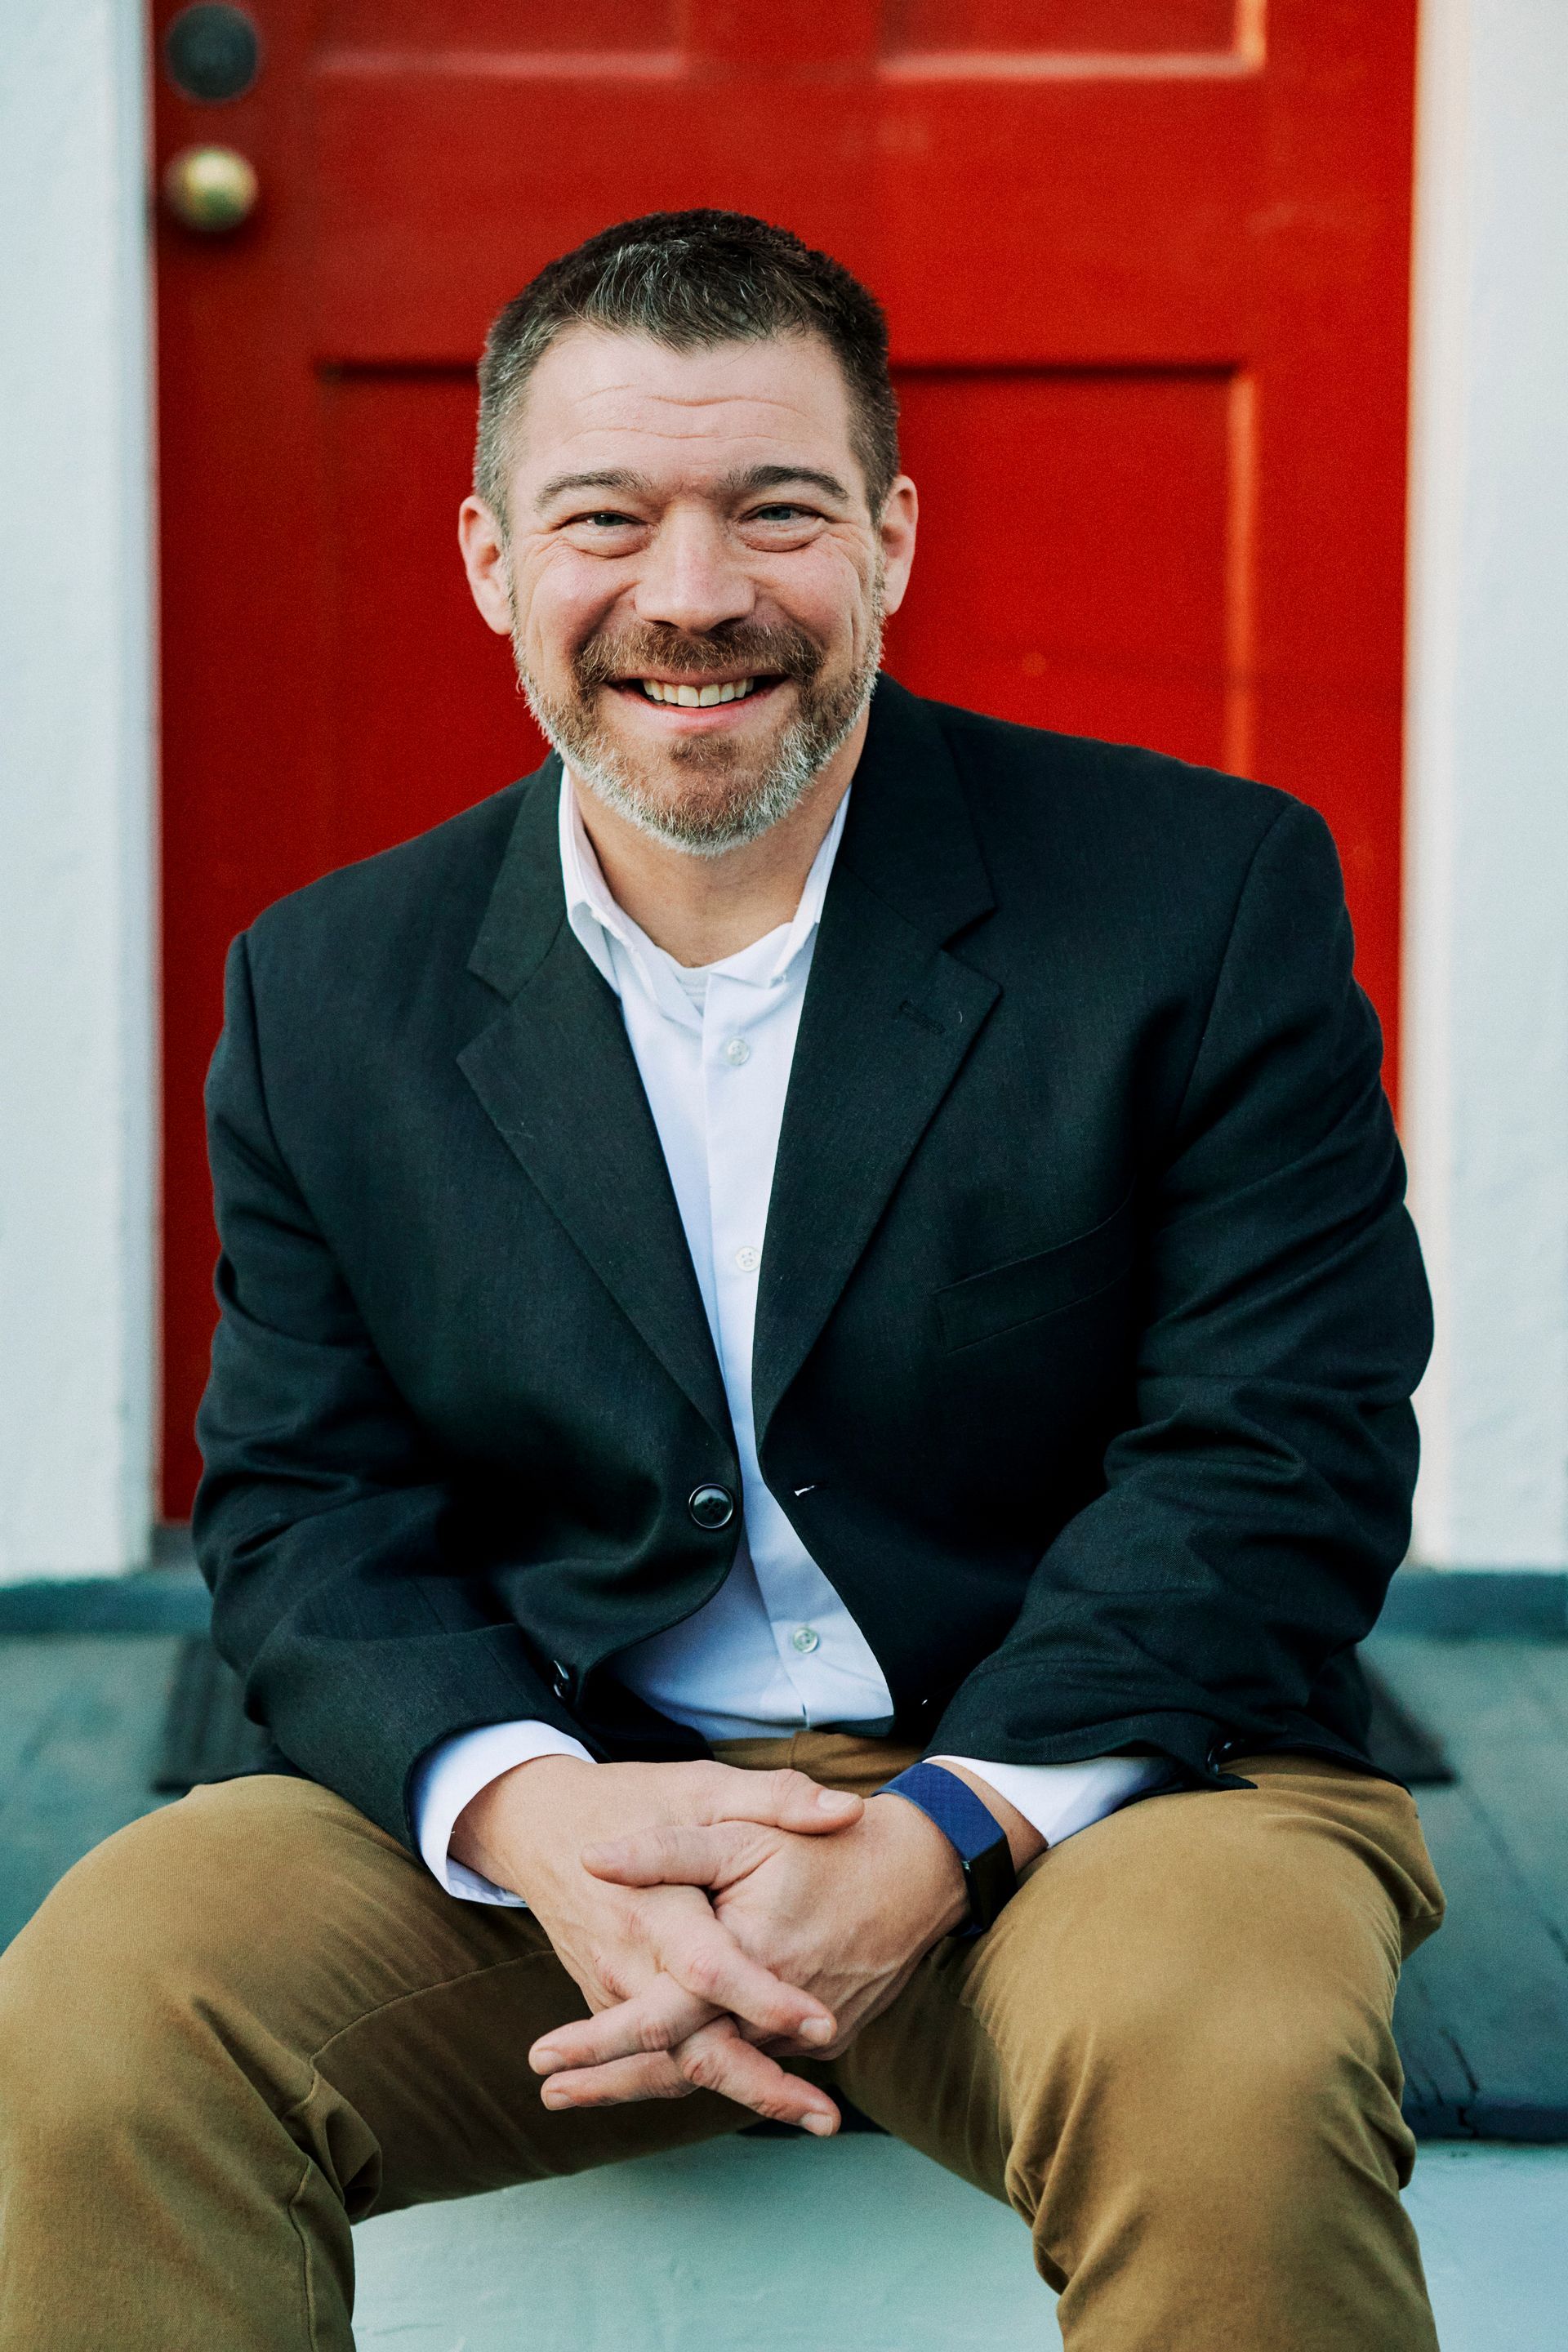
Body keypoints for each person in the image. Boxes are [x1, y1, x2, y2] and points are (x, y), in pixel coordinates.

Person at [0, 210, 1443, 2352]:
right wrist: (539, 1815)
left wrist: (941, 1829)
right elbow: (310, 1514)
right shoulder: (328, 992)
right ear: (494, 560)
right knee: (111, 2010)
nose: (691, 598)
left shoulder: (1199, 899)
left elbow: (1277, 1454)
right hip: (593, 1803)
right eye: (606, 518)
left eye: (774, 513)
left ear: (888, 543)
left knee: (1226, 2067)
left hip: (1104, 1794)